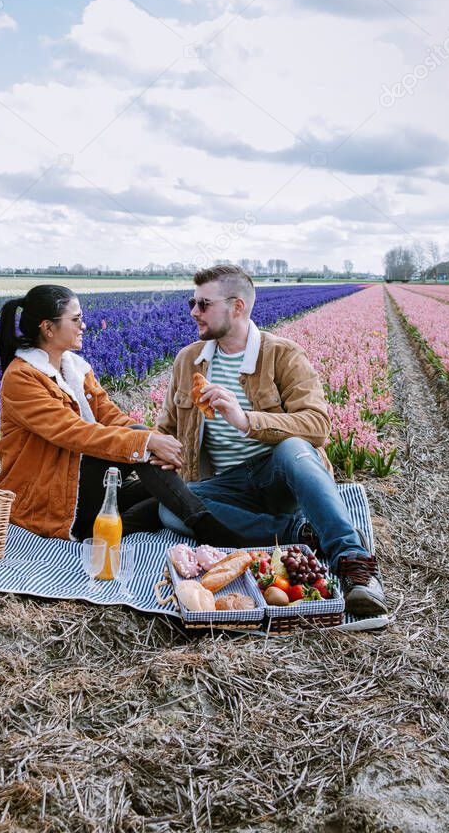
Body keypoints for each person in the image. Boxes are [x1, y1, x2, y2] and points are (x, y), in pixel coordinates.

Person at [153, 264, 387, 617]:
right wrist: (156, 448)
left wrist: (247, 420)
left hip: (279, 478)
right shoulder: (189, 361)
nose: (193, 312)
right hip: (224, 484)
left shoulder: (282, 354)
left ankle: (354, 565)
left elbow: (317, 424)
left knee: (294, 447)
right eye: (192, 302)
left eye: (203, 304)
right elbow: (167, 428)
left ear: (237, 307)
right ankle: (300, 533)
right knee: (170, 506)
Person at [0, 285, 240, 544]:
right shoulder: (22, 378)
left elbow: (111, 416)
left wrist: (153, 440)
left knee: (166, 493)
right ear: (48, 328)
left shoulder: (75, 370)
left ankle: (99, 532)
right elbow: (73, 432)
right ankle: (209, 528)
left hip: (79, 485)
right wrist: (145, 441)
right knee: (147, 456)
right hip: (48, 499)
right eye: (76, 319)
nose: (84, 326)